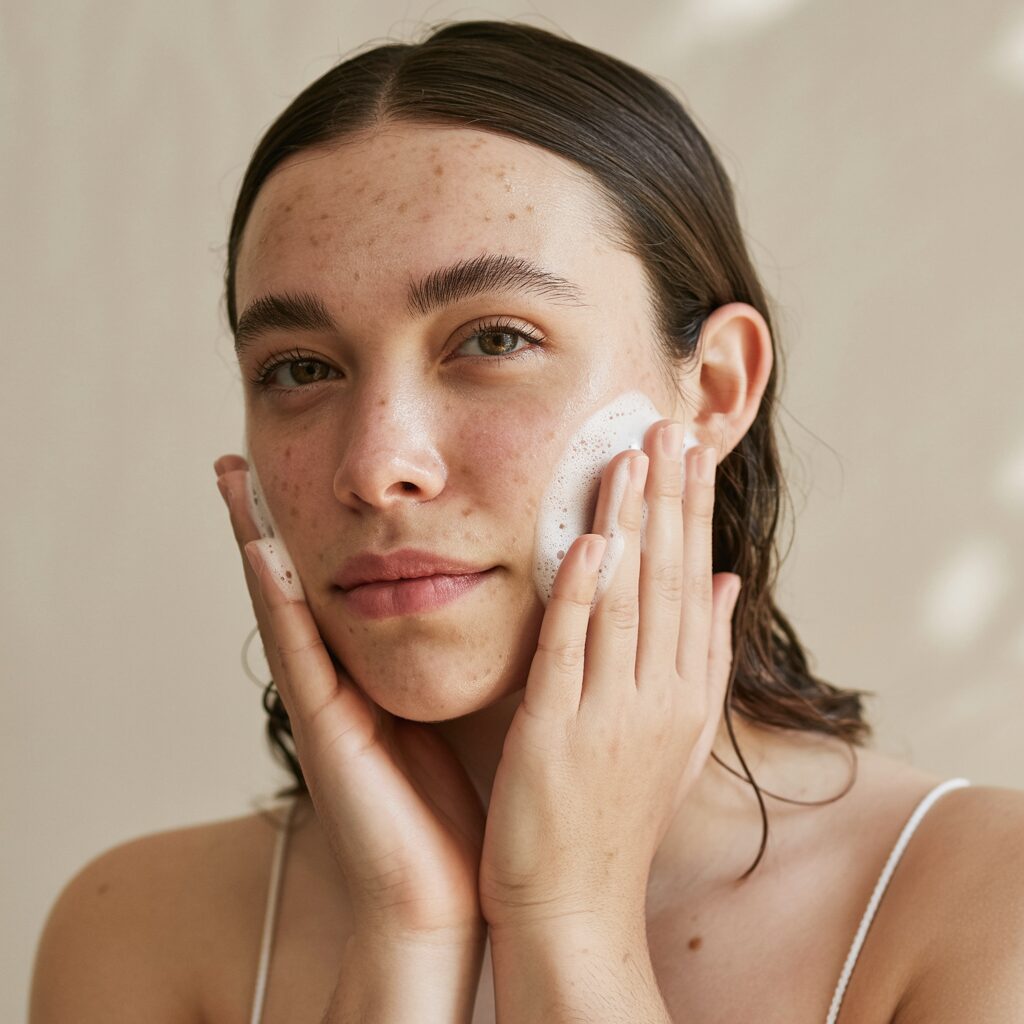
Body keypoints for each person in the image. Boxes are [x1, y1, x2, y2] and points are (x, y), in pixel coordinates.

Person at [29, 20, 1024, 1024]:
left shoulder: (982, 908)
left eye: (494, 339)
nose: (376, 467)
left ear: (716, 390)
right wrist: (406, 942)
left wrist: (568, 922)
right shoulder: (142, 933)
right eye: (300, 368)